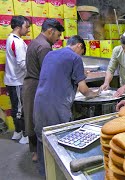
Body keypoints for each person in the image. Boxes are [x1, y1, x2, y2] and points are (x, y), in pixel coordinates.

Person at [33, 35, 99, 176]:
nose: (81, 55)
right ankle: (59, 175)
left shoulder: (50, 54)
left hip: (39, 102)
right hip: (56, 106)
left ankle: (44, 174)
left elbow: (58, 75)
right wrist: (95, 94)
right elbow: (83, 90)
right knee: (59, 143)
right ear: (79, 46)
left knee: (42, 138)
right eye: (82, 52)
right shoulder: (75, 58)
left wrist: (81, 74)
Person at [23, 19, 64, 169]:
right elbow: (49, 72)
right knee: (39, 119)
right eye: (57, 35)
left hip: (30, 83)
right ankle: (40, 153)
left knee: (31, 117)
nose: (58, 39)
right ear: (50, 31)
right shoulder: (44, 47)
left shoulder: (35, 41)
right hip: (37, 85)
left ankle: (34, 151)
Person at [4, 16, 31, 144]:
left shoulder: (11, 39)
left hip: (13, 79)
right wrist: (32, 74)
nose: (28, 30)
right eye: (26, 27)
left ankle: (17, 132)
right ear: (18, 27)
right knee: (21, 109)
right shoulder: (18, 42)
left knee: (16, 107)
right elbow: (22, 63)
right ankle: (25, 135)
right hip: (18, 80)